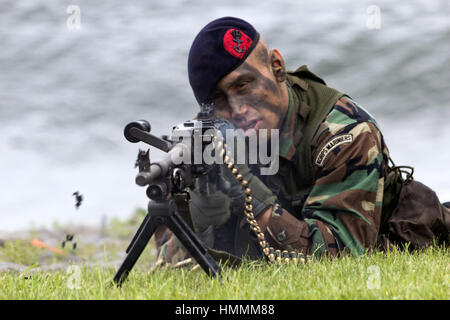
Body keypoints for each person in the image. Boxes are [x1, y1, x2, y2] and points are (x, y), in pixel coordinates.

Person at [155, 17, 449, 266]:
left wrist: (250, 195)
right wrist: (199, 217)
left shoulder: (344, 133)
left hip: (401, 230)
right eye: (219, 99)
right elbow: (169, 258)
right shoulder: (212, 133)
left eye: (243, 85)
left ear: (277, 67)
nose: (238, 110)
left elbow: (343, 258)